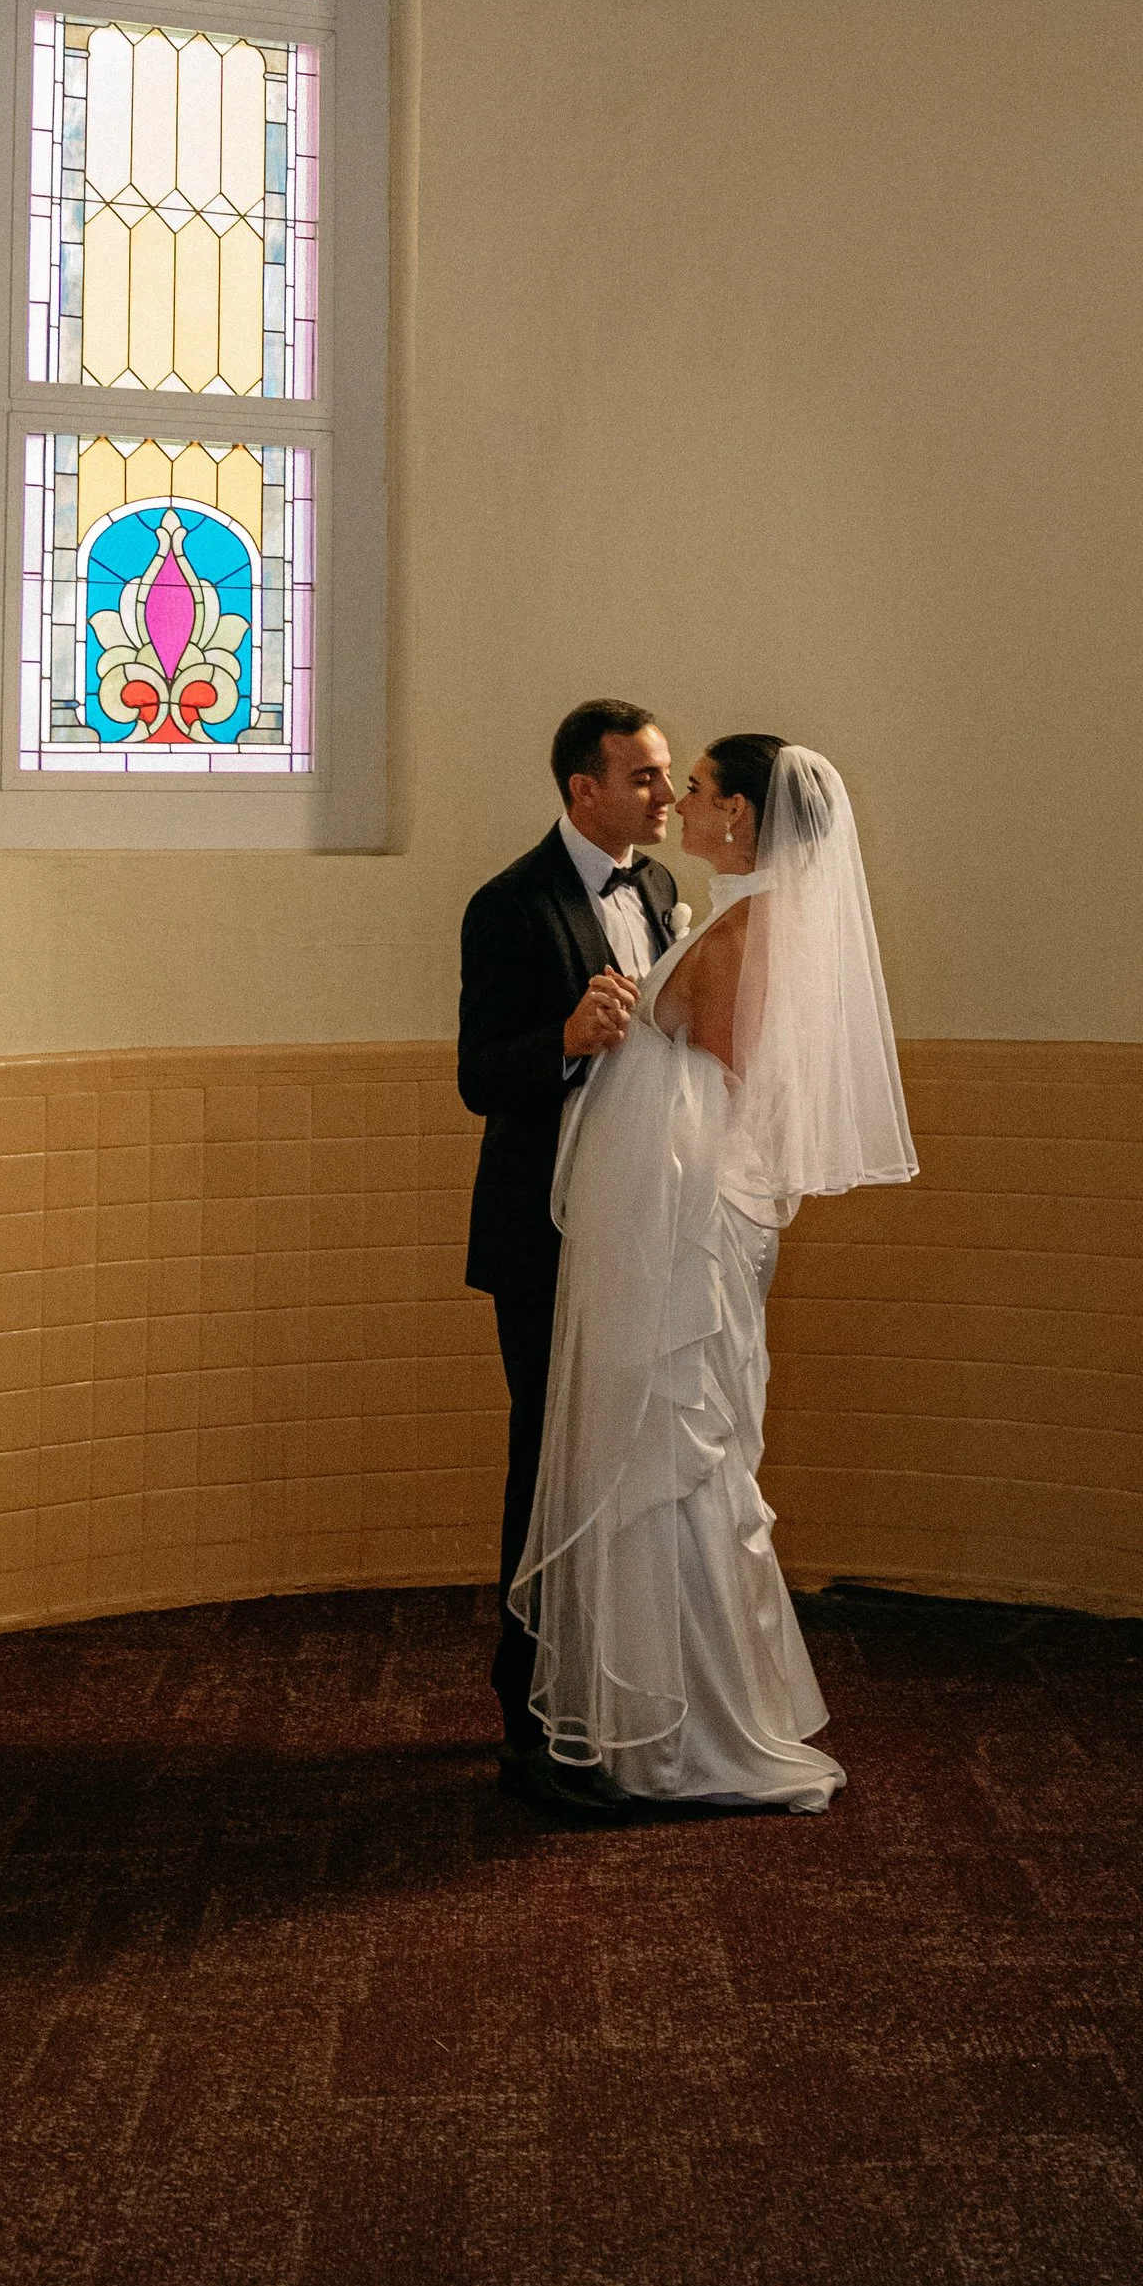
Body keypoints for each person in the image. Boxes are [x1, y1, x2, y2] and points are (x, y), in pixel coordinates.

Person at [510, 734, 919, 1814]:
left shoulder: (754, 927)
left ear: (737, 816)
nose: (679, 799)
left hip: (685, 1229)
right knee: (664, 1452)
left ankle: (685, 1732)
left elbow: (737, 1093)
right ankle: (658, 1713)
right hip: (670, 1221)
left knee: (676, 1454)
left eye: (693, 787)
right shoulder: (738, 915)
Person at [458, 699, 680, 1793]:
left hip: (635, 1226)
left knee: (626, 1456)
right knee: (546, 1456)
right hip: (543, 1232)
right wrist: (560, 1039)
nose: (665, 796)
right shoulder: (508, 904)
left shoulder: (660, 890)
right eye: (642, 777)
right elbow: (474, 1075)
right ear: (581, 788)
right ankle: (528, 1694)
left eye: (667, 774)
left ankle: (612, 1676)